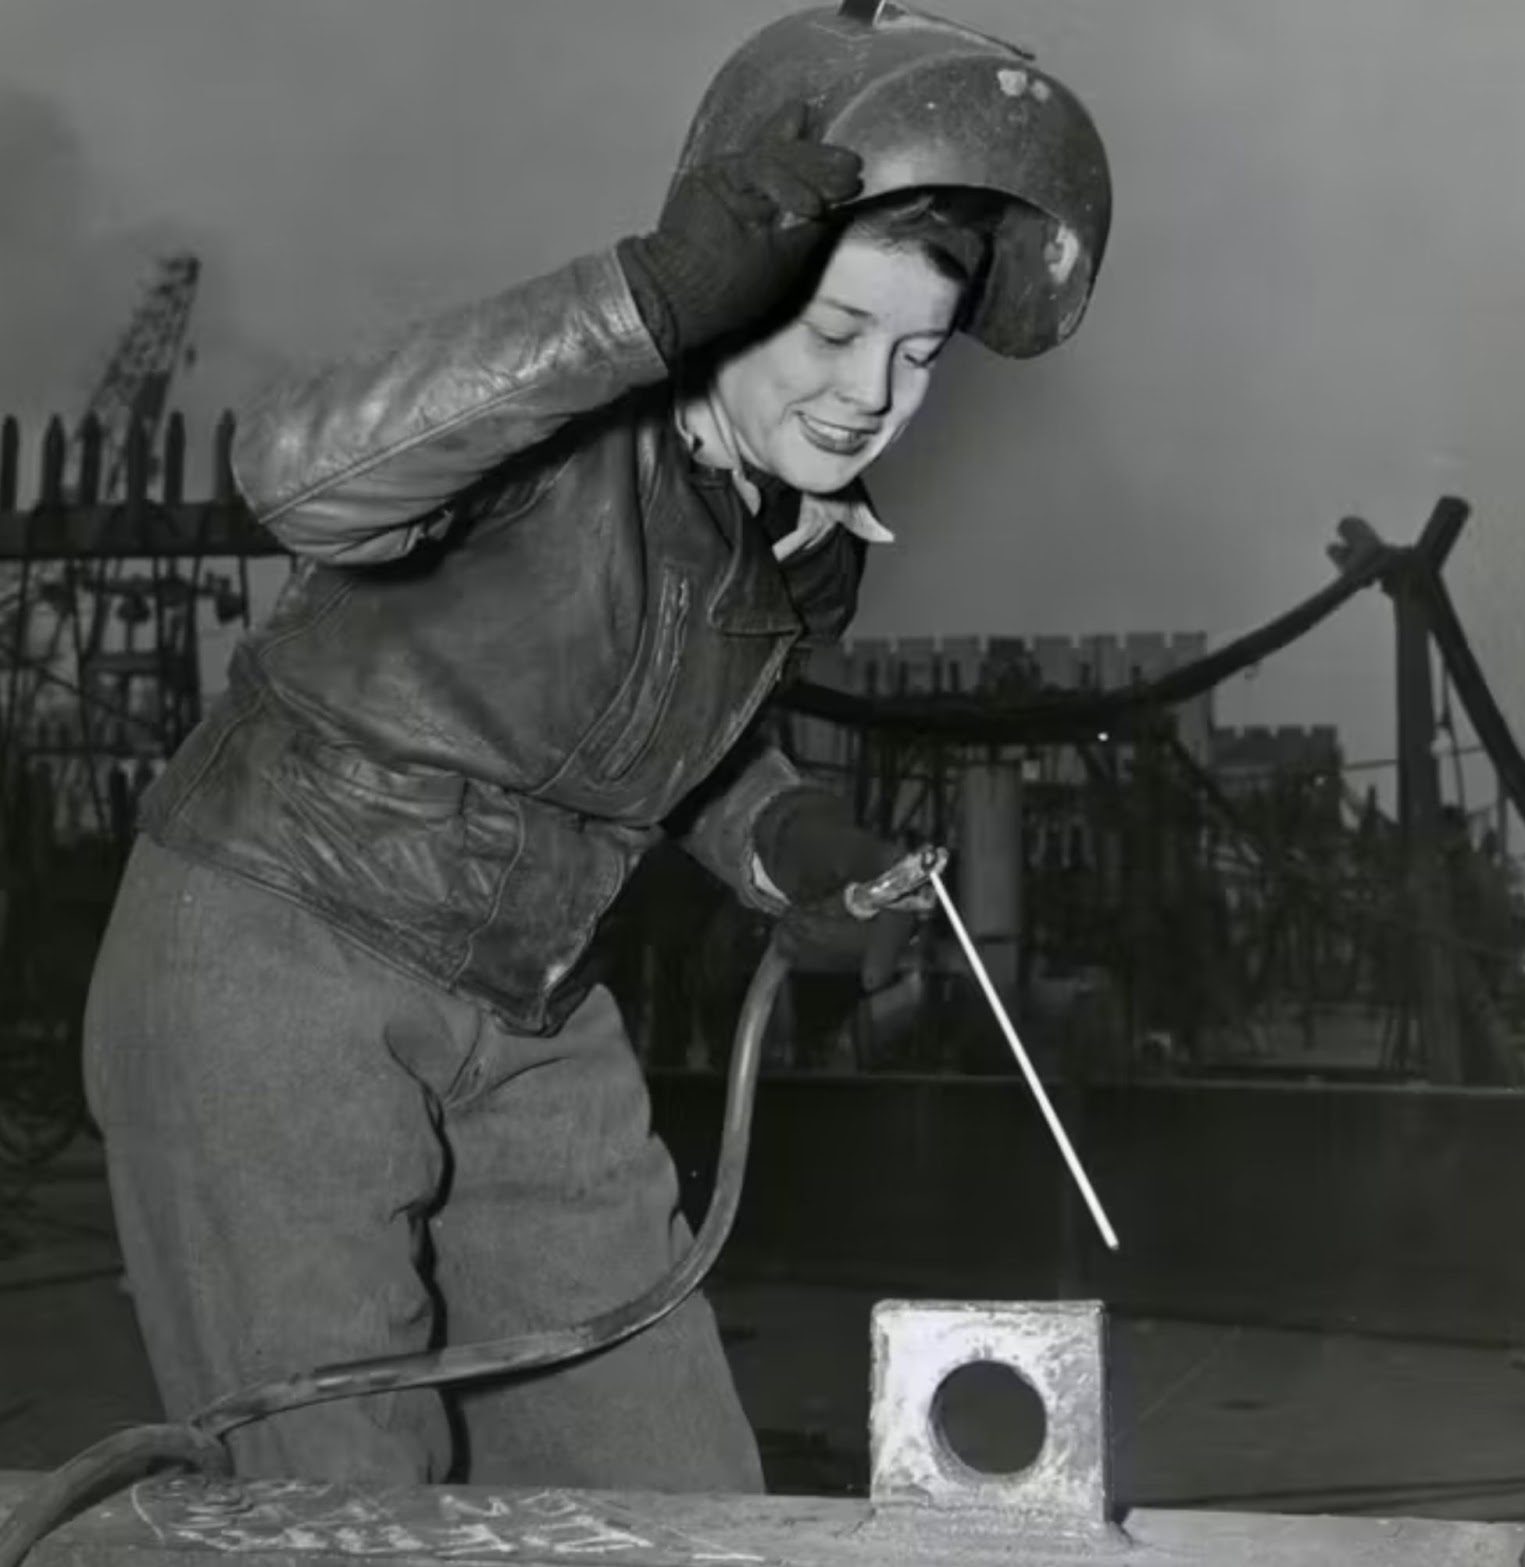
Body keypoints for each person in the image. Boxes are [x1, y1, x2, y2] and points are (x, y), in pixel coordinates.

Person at [81, 1, 1111, 1492]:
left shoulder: (796, 543)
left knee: (671, 1492)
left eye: (920, 354)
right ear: (735, 287)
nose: (871, 394)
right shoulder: (556, 413)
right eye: (832, 330)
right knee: (335, 1505)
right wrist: (640, 302)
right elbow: (292, 475)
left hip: (534, 1010)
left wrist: (789, 845)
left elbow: (670, 753)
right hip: (276, 968)